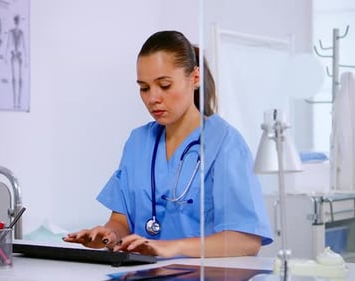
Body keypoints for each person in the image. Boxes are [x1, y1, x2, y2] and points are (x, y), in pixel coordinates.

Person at [63, 30, 273, 258]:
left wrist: (172, 247)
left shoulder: (225, 143)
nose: (153, 98)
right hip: (143, 273)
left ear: (194, 78)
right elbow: (120, 221)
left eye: (164, 85)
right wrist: (109, 235)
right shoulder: (138, 142)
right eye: (144, 88)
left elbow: (246, 241)